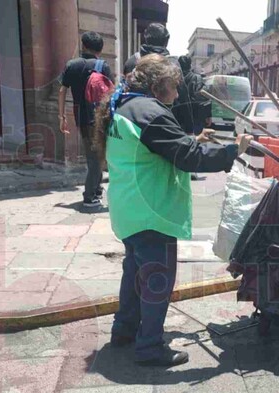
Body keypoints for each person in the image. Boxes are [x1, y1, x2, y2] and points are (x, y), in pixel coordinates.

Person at [94, 54, 253, 367]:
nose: (178, 94)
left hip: (130, 210)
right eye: (174, 87)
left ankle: (124, 331)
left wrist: (193, 138)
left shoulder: (126, 105)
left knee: (134, 275)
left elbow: (159, 145)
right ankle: (149, 348)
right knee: (156, 280)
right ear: (158, 85)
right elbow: (189, 157)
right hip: (150, 212)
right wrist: (234, 149)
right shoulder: (151, 112)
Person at [58, 31, 113, 208]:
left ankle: (96, 190)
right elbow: (110, 93)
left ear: (84, 46)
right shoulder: (102, 66)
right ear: (100, 48)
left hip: (81, 117)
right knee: (96, 158)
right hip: (99, 118)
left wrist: (62, 117)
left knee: (94, 155)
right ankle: (89, 196)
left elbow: (62, 91)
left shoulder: (71, 65)